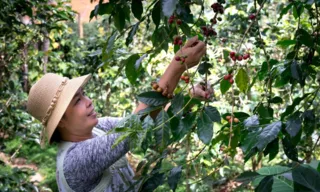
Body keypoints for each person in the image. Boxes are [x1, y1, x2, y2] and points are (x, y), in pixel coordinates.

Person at [26, 36, 209, 192]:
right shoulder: (74, 162)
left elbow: (144, 118)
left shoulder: (98, 127)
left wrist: (187, 99)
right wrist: (177, 65)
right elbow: (131, 129)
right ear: (60, 123)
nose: (88, 101)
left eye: (83, 94)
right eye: (77, 101)